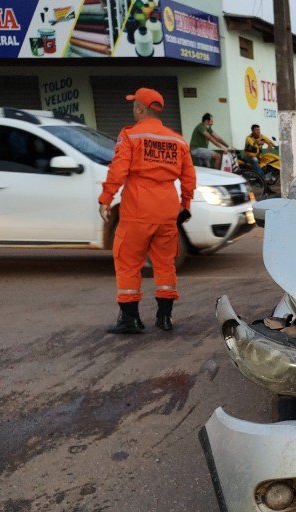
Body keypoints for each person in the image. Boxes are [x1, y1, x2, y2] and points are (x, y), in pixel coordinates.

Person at [99, 88, 196, 334]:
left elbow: (118, 169)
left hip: (138, 209)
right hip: (167, 208)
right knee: (165, 263)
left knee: (128, 261)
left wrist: (106, 197)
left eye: (134, 106)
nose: (133, 109)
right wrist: (186, 203)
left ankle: (130, 319)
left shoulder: (130, 135)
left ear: (141, 109)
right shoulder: (177, 139)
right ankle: (165, 318)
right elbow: (188, 176)